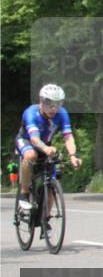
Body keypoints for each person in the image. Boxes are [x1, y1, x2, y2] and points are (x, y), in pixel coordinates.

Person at [14, 84, 82, 214]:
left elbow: (68, 137)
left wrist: (73, 155)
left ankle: (45, 218)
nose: (54, 108)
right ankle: (24, 193)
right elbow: (34, 139)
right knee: (30, 156)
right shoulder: (31, 113)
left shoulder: (62, 114)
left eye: (58, 103)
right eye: (49, 103)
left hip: (45, 144)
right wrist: (46, 148)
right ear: (41, 101)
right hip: (26, 140)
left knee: (51, 183)